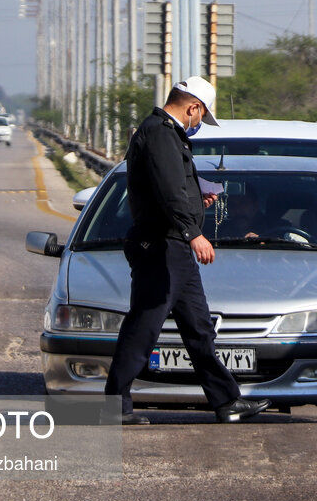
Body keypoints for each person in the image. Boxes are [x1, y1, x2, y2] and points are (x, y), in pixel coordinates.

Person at [105, 76, 272, 425]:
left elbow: (174, 187)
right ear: (192, 107)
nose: (198, 123)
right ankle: (113, 406)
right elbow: (168, 192)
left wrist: (200, 197)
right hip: (162, 246)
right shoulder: (161, 133)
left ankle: (227, 402)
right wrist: (194, 232)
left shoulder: (164, 134)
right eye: (200, 117)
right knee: (144, 325)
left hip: (174, 248)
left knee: (198, 328)